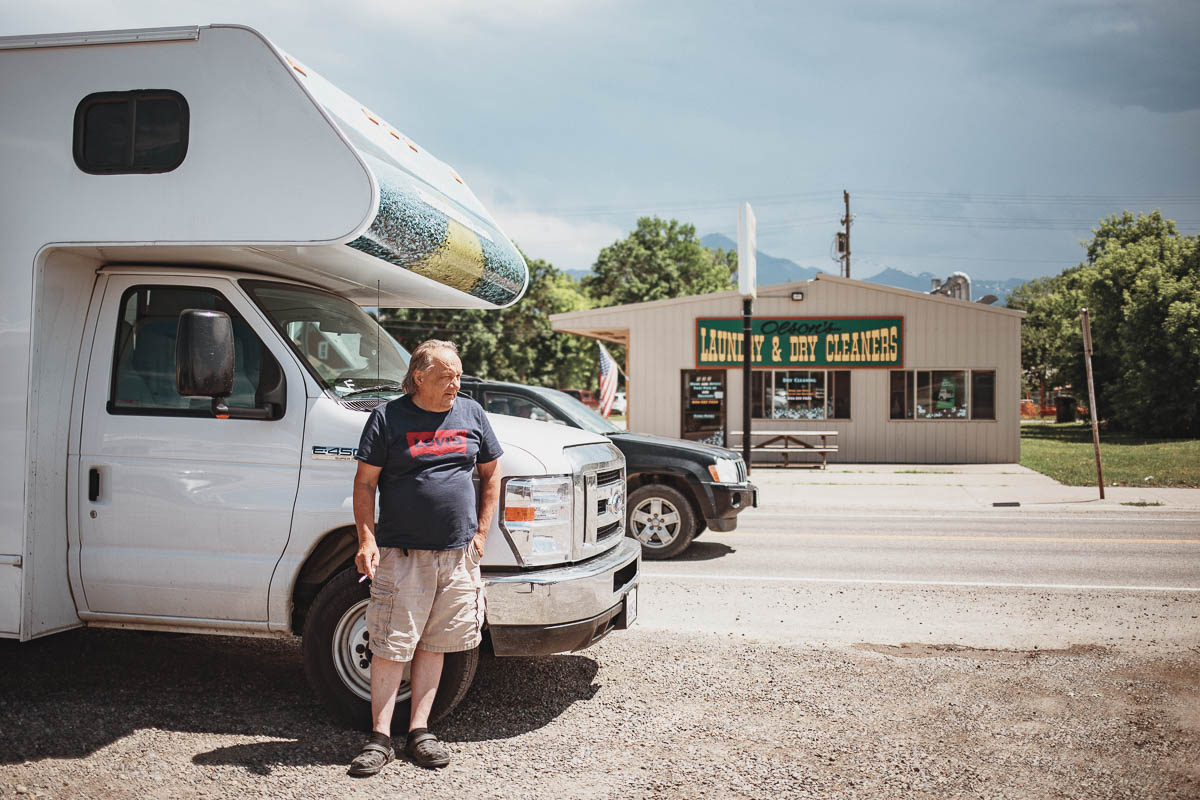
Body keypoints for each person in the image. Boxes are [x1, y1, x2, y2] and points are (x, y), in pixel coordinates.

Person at [347, 339, 502, 775]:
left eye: (458, 374)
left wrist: (482, 534)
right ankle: (379, 737)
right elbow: (364, 484)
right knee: (393, 644)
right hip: (404, 553)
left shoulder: (471, 413)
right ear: (419, 377)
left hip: (457, 556)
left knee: (436, 644)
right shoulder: (388, 417)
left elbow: (491, 475)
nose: (456, 382)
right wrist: (366, 539)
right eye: (447, 375)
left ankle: (419, 730)